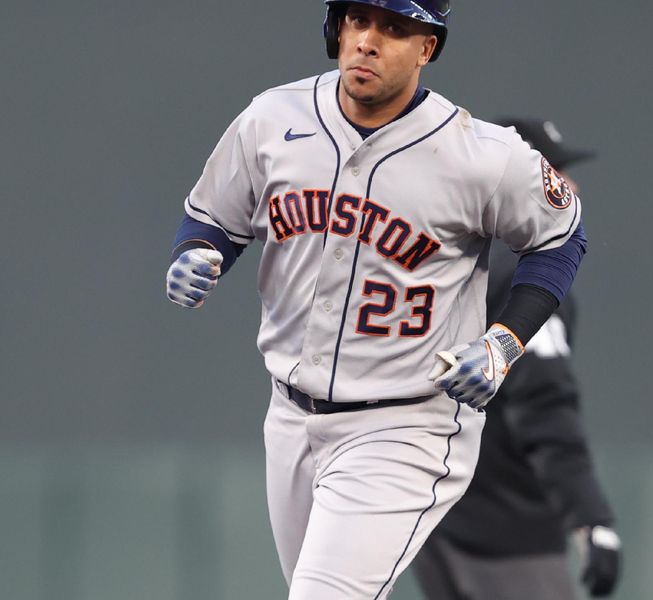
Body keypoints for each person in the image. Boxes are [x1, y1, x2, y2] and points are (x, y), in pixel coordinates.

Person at [164, 2, 587, 598]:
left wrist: (504, 340)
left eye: (394, 28)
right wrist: (198, 251)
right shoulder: (272, 118)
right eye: (359, 20)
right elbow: (215, 217)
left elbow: (561, 238)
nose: (368, 41)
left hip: (405, 423)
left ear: (427, 48)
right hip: (290, 414)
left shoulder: (483, 154)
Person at [413, 118, 621, 599]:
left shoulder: (436, 258)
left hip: (434, 513)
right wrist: (590, 518)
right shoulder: (529, 283)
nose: (569, 186)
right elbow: (546, 406)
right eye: (554, 171)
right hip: (507, 543)